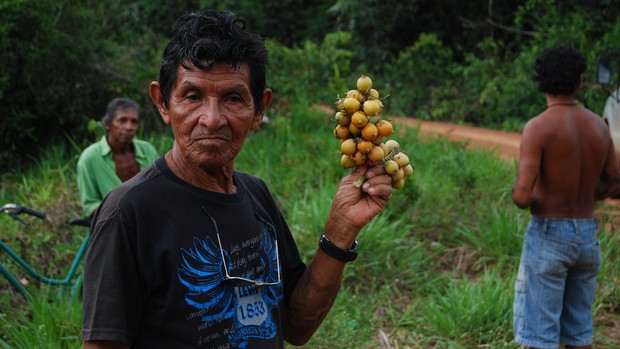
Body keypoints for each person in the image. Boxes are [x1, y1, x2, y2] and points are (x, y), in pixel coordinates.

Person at [81, 10, 393, 349]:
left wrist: (340, 230)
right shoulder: (129, 213)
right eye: (192, 96)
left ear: (259, 109)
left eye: (233, 98)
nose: (212, 120)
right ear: (162, 103)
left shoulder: (255, 194)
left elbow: (295, 327)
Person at [512, 45, 620, 349]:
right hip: (587, 235)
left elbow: (522, 196)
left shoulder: (538, 127)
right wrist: (588, 195)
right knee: (578, 334)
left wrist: (534, 194)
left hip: (549, 233)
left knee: (540, 336)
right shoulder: (599, 126)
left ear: (541, 81)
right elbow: (615, 181)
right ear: (581, 80)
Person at [76, 98, 159, 217]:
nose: (129, 127)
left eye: (134, 122)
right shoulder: (90, 158)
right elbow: (90, 205)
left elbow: (160, 189)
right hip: (112, 225)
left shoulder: (147, 150)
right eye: (122, 120)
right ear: (107, 124)